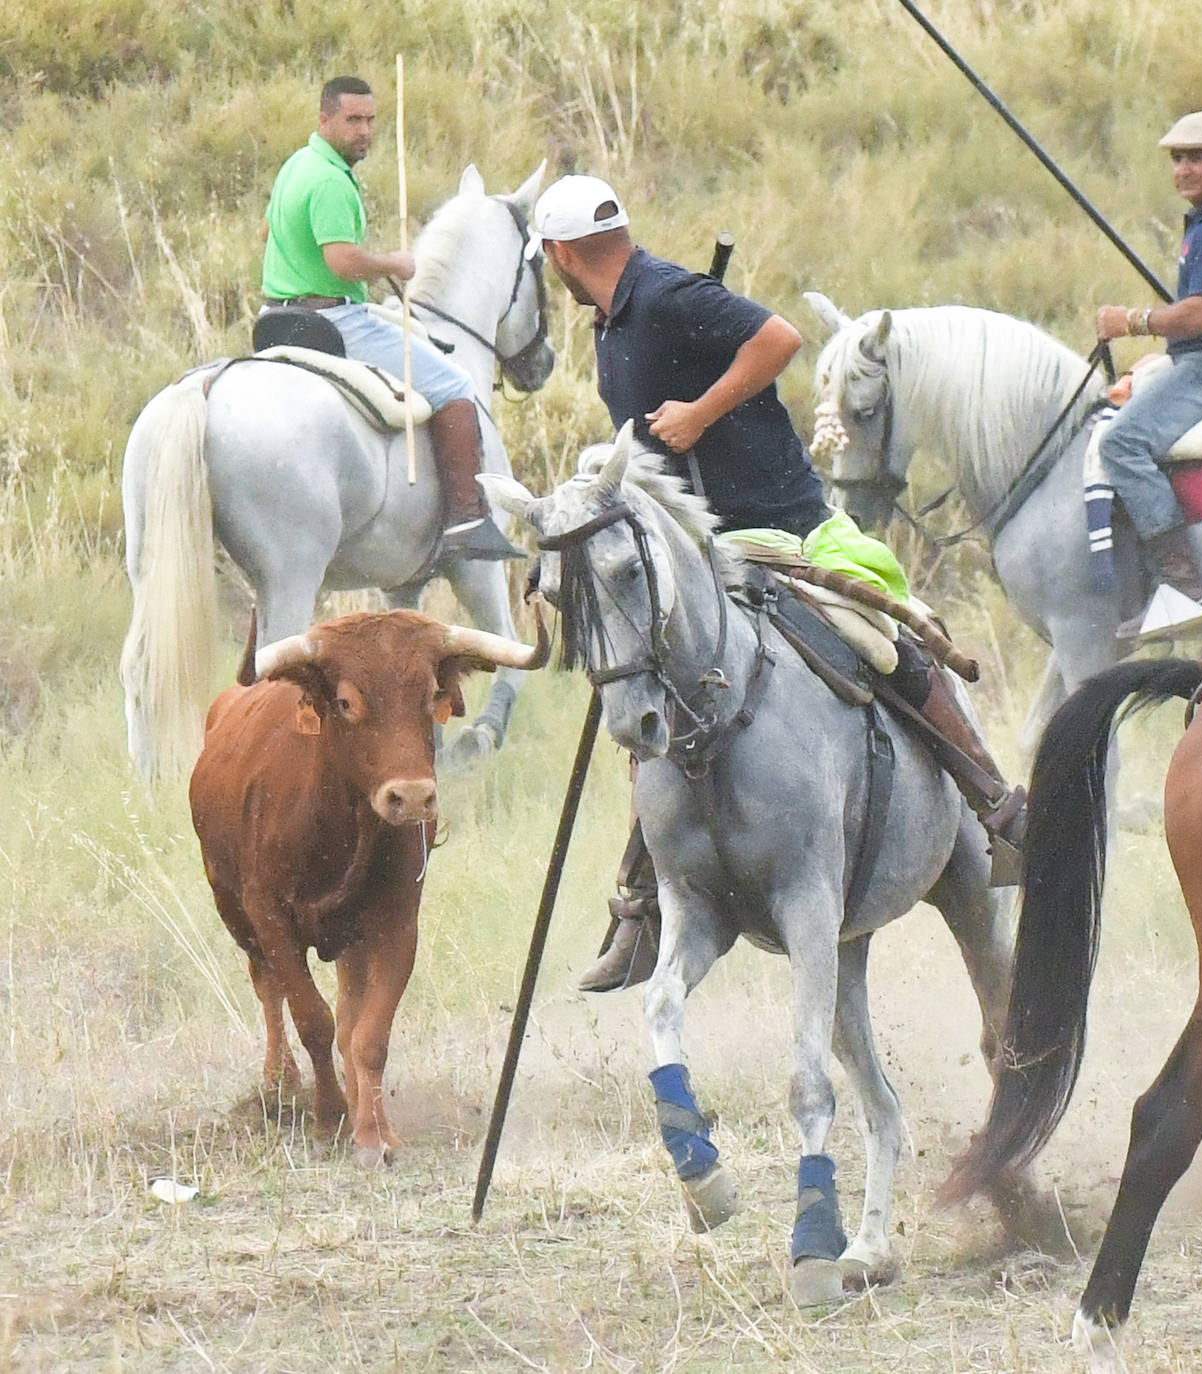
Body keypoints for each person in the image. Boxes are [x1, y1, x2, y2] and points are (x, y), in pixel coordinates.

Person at [529, 174, 1025, 992]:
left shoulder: (668, 294)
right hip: (699, 547)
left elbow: (779, 339)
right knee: (646, 694)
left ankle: (993, 801)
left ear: (557, 253)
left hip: (780, 524)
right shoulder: (609, 323)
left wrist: (702, 410)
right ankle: (644, 903)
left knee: (875, 638)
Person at [261, 75, 520, 561]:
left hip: (275, 316)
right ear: (325, 120)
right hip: (333, 322)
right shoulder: (330, 180)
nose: (364, 131)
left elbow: (269, 231)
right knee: (454, 384)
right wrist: (390, 265)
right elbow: (340, 260)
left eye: (370, 120)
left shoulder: (298, 165)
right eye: (352, 120)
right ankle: (468, 518)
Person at [1095, 109, 1202, 635]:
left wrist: (1134, 321)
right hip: (1193, 359)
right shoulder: (1200, 223)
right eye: (1177, 159)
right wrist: (1167, 352)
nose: (1183, 169)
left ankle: (1183, 584)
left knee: (1120, 443)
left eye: (1197, 157)